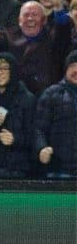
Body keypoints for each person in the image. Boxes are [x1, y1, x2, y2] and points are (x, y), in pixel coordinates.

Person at [34, 50, 77, 178]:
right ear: (65, 69)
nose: (76, 70)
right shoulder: (51, 94)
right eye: (72, 66)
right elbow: (38, 129)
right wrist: (41, 148)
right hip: (59, 170)